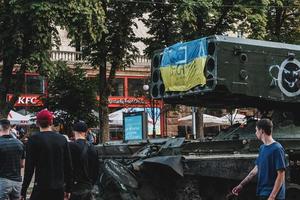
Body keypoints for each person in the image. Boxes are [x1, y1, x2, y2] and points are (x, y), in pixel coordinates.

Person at [21, 109, 73, 200]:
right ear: (51, 122)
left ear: (37, 123)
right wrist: (68, 188)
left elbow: (29, 168)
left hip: (41, 186)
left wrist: (23, 190)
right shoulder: (62, 139)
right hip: (58, 187)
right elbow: (68, 166)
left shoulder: (33, 140)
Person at [232, 119, 286, 200]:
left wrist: (272, 196)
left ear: (262, 131)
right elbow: (255, 171)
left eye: (256, 130)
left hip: (274, 195)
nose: (255, 133)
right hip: (263, 193)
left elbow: (281, 175)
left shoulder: (277, 149)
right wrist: (241, 185)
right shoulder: (262, 148)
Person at [69, 121, 99, 200]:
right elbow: (96, 169)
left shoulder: (71, 146)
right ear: (86, 132)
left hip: (75, 187)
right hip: (88, 187)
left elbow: (67, 168)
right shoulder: (93, 148)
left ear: (74, 131)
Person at [0, 119, 25, 200]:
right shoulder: (19, 143)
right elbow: (22, 165)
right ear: (10, 128)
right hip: (17, 182)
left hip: (3, 181)